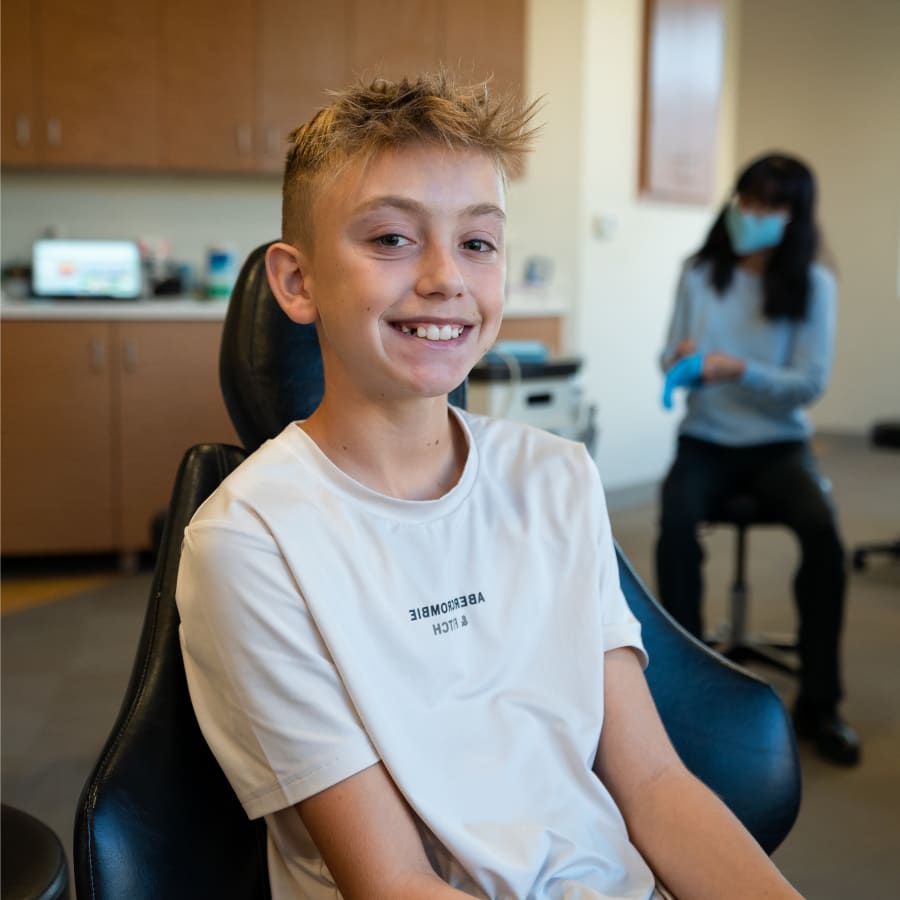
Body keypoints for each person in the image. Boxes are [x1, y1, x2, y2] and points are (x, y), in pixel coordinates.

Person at [176, 73, 803, 899]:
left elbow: (654, 785)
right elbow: (391, 880)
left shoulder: (557, 477)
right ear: (297, 282)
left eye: (478, 243)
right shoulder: (250, 541)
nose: (446, 278)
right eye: (392, 238)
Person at [656, 153, 860, 768]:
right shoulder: (698, 273)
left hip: (779, 446)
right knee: (675, 534)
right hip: (706, 440)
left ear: (794, 216)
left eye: (769, 206)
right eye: (746, 200)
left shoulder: (815, 286)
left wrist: (737, 368)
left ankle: (821, 703)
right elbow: (669, 359)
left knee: (824, 538)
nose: (753, 215)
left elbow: (808, 384)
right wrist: (682, 359)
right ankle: (685, 692)